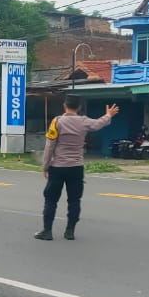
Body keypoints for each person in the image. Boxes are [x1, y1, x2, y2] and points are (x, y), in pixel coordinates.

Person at [36, 95, 119, 240]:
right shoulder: (84, 121)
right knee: (74, 200)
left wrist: (45, 166)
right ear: (79, 108)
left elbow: (50, 146)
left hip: (58, 167)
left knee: (51, 200)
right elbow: (98, 124)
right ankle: (70, 231)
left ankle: (47, 231)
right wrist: (108, 115)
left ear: (64, 106)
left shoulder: (57, 122)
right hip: (76, 167)